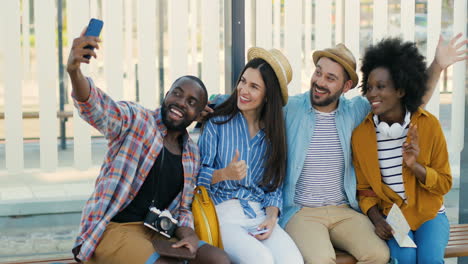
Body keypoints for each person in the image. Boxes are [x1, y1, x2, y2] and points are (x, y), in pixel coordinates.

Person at [279, 34, 467, 264]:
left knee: (380, 255)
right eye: (318, 72)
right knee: (322, 260)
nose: (319, 82)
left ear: (346, 86)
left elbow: (404, 99)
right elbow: (256, 105)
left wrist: (437, 66)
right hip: (302, 210)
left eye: (330, 78)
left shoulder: (355, 112)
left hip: (344, 209)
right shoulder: (291, 108)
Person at [67, 29, 229, 264]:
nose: (181, 103)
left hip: (156, 231)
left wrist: (190, 235)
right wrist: (74, 71)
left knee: (218, 260)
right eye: (177, 94)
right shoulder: (136, 121)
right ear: (166, 95)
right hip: (114, 229)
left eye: (192, 103)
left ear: (198, 114)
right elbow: (97, 107)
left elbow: (183, 210)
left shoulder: (191, 154)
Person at [197, 47, 303, 263]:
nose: (243, 90)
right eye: (243, 81)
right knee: (261, 260)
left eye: (254, 86)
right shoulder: (218, 123)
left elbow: (273, 188)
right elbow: (196, 178)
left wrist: (272, 218)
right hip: (223, 213)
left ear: (267, 97)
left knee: (293, 260)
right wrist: (224, 174)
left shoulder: (273, 135)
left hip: (258, 214)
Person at [352, 38, 453, 263]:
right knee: (404, 258)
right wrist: (378, 220)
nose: (371, 94)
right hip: (393, 216)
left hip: (430, 215)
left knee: (429, 260)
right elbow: (365, 190)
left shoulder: (428, 126)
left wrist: (415, 166)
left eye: (380, 87)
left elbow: (445, 183)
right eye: (369, 87)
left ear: (400, 90)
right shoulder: (361, 136)